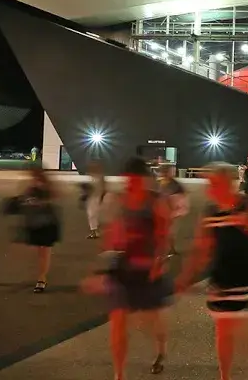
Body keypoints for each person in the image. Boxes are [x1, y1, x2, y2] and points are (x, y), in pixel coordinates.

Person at [177, 163, 248, 380]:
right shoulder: (211, 211)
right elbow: (201, 246)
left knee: (237, 327)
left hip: (244, 276)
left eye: (214, 183)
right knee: (224, 329)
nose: (210, 187)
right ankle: (226, 375)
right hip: (220, 276)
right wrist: (186, 276)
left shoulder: (247, 205)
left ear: (228, 183)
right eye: (209, 183)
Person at [104, 157, 174, 378]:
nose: (130, 183)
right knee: (117, 322)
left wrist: (158, 263)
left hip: (148, 269)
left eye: (135, 179)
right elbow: (112, 232)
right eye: (128, 179)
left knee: (152, 319)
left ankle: (160, 352)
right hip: (122, 268)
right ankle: (119, 374)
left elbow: (163, 236)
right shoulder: (120, 199)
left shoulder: (156, 202)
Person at [16, 166, 61, 293]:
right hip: (36, 222)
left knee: (44, 251)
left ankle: (41, 278)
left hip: (47, 222)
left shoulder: (46, 184)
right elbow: (23, 199)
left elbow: (55, 196)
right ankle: (41, 277)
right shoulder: (31, 185)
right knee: (41, 252)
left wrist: (42, 201)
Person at [159, 165, 190, 257]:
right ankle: (169, 249)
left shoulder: (174, 184)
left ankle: (170, 249)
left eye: (172, 171)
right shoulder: (164, 183)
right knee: (167, 231)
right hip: (166, 211)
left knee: (170, 231)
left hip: (172, 211)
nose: (172, 173)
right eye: (171, 171)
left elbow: (181, 199)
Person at [81, 162, 107, 239]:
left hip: (96, 198)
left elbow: (103, 188)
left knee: (93, 214)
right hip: (92, 198)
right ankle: (94, 231)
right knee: (92, 215)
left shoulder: (99, 177)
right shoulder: (93, 177)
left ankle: (95, 231)